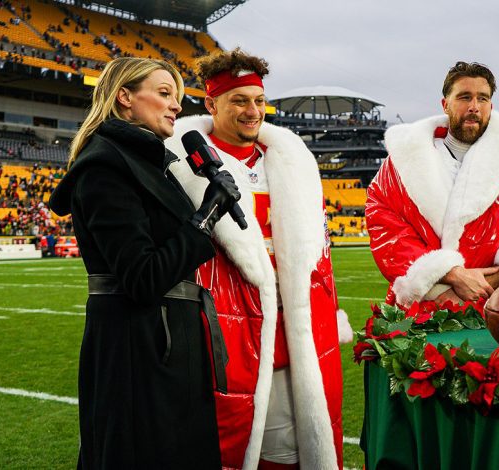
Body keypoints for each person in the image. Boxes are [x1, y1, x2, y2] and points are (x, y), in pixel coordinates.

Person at [49, 58, 239, 469]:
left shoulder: (151, 162)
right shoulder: (105, 166)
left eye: (179, 98)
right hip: (139, 348)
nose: (176, 106)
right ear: (125, 97)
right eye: (165, 93)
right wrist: (206, 217)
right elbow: (142, 277)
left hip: (169, 344)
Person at [164, 49, 345, 470]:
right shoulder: (178, 165)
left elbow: (319, 253)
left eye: (259, 101)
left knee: (295, 444)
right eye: (239, 100)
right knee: (230, 442)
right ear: (211, 104)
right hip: (224, 332)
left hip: (296, 327)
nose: (253, 111)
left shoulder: (292, 162)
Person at [365, 61, 499, 308]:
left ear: (491, 105)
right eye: (464, 97)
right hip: (424, 309)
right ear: (445, 104)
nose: (474, 107)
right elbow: (386, 225)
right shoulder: (402, 164)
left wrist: (486, 283)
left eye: (482, 98)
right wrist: (449, 275)